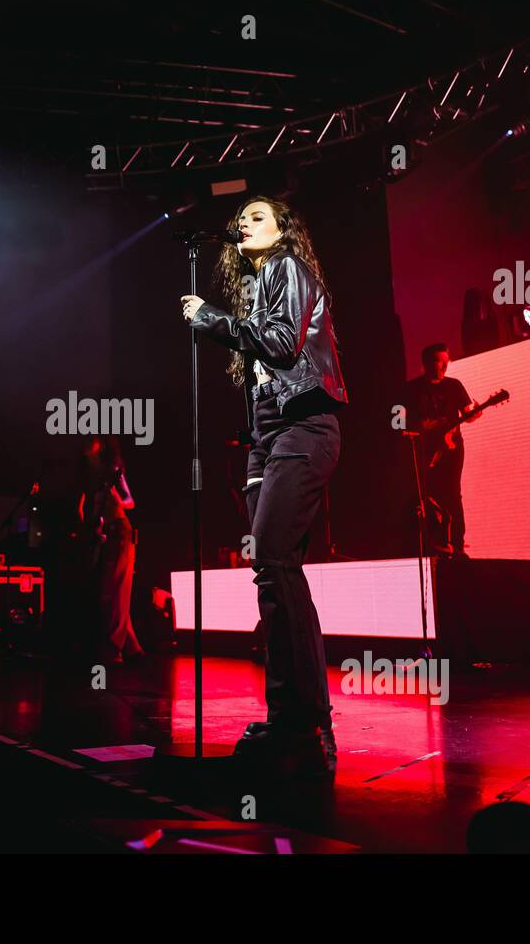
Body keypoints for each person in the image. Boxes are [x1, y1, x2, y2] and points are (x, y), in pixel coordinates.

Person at [180, 194, 346, 772]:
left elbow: (280, 345)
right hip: (272, 436)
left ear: (282, 230)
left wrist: (210, 319)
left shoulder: (286, 269)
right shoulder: (258, 289)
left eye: (257, 215)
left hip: (307, 426)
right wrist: (254, 457)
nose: (243, 223)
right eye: (241, 217)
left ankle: (299, 724)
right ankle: (301, 722)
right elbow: (263, 377)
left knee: (274, 564)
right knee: (278, 576)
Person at [405, 343, 481, 555]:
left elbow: (468, 412)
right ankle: (433, 540)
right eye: (439, 361)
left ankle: (457, 543)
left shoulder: (454, 386)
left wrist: (474, 414)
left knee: (453, 494)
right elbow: (396, 419)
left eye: (446, 362)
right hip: (423, 449)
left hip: (451, 448)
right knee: (426, 494)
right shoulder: (411, 389)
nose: (444, 366)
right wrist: (418, 426)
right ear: (427, 363)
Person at [76, 437, 142, 663]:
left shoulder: (113, 471)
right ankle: (132, 648)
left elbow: (129, 501)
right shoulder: (93, 477)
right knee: (113, 592)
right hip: (108, 536)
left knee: (114, 592)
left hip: (120, 533)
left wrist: (112, 495)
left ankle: (114, 650)